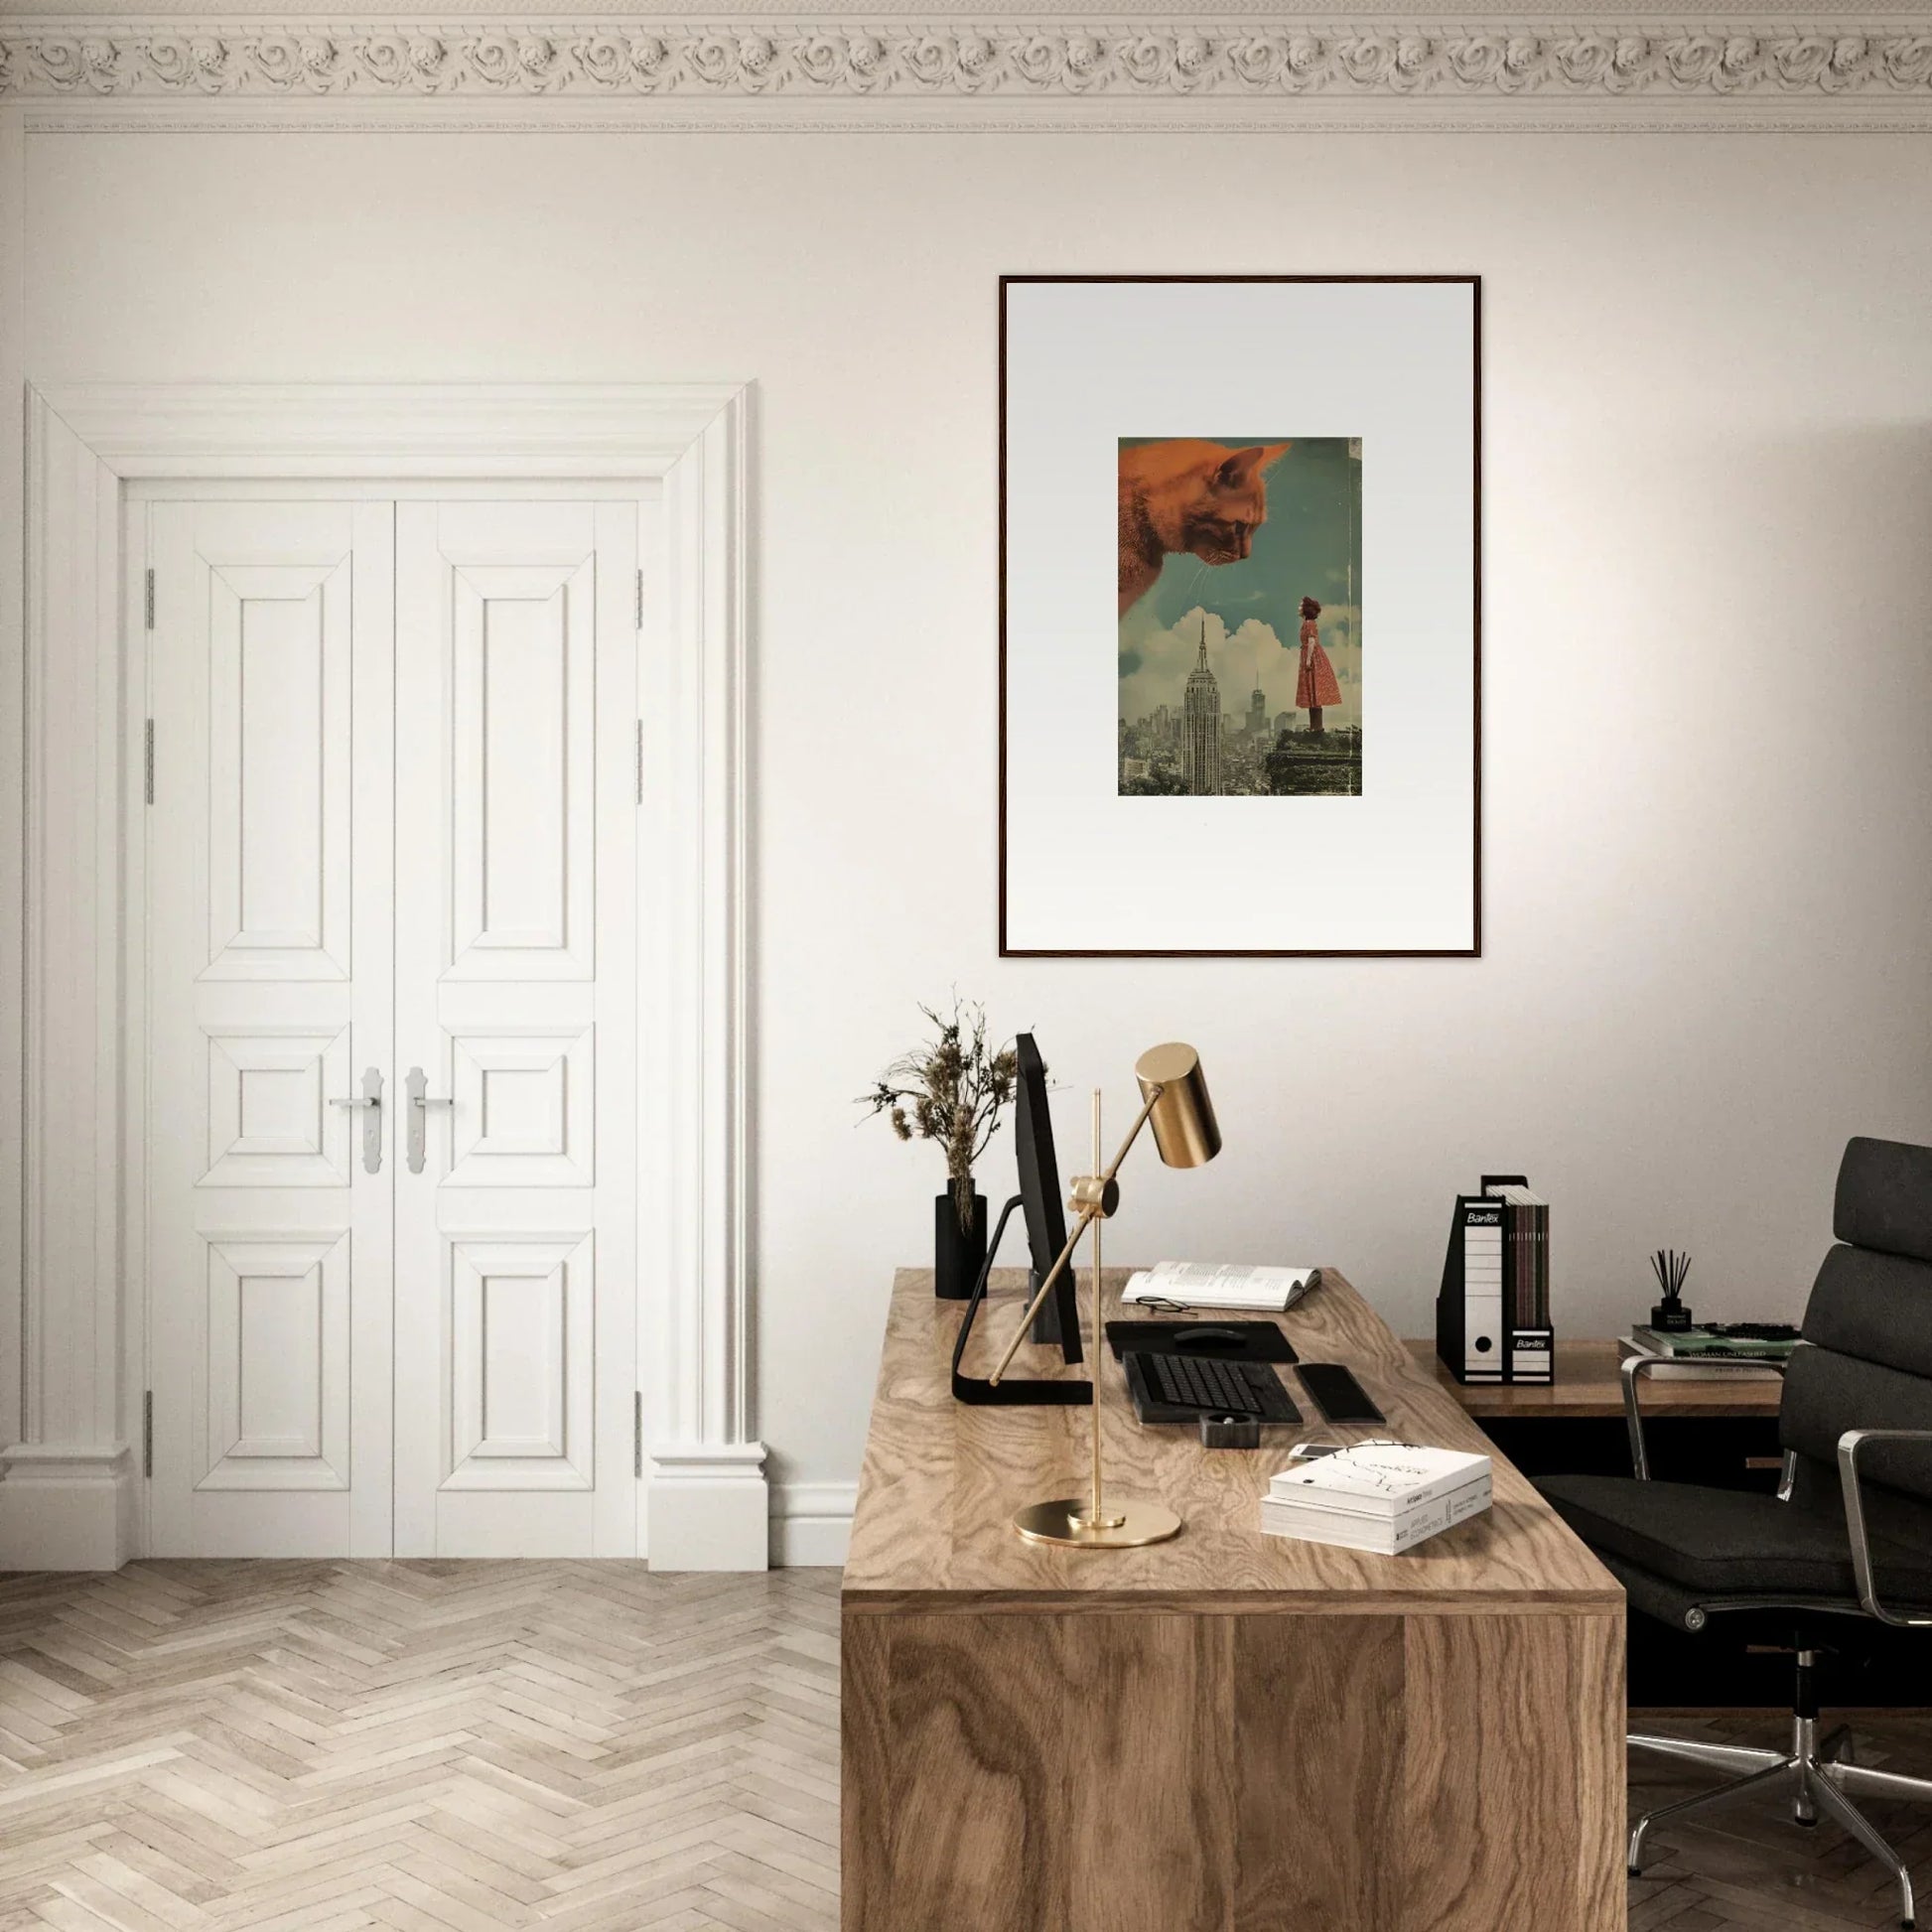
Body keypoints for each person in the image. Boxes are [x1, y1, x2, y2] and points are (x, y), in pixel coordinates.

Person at [1296, 595, 1341, 733]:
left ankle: (1317, 727)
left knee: (1314, 690)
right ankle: (1315, 726)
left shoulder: (1309, 624)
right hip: (1310, 656)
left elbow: (1311, 641)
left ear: (1306, 609)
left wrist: (1308, 660)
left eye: (1301, 605)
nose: (1298, 607)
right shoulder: (1307, 623)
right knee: (1312, 692)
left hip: (1313, 658)